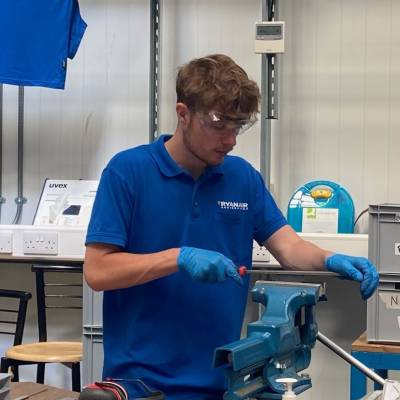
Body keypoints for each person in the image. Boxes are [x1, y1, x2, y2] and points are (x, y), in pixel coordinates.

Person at [84, 54, 379, 400]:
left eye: (237, 126)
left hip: (223, 383)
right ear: (183, 113)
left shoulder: (242, 179)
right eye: (219, 124)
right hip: (141, 386)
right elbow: (98, 270)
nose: (231, 139)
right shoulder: (128, 172)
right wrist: (178, 258)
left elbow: (288, 248)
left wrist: (331, 260)